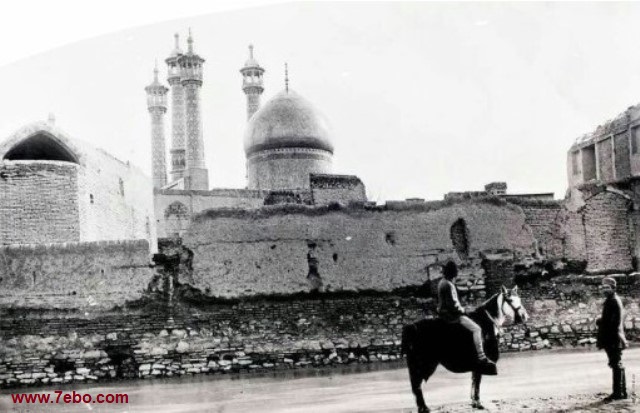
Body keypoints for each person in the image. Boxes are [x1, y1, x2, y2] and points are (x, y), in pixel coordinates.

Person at [437, 260, 497, 375]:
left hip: (443, 313)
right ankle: (481, 356)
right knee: (477, 329)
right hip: (452, 315)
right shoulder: (449, 284)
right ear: (453, 273)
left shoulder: (441, 282)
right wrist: (464, 310)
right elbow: (454, 303)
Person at [596, 277, 628, 401]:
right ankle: (621, 392)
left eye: (607, 287)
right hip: (614, 337)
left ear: (614, 288)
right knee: (617, 364)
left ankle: (618, 393)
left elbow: (613, 323)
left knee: (616, 364)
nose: (604, 289)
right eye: (603, 287)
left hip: (613, 337)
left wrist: (599, 321)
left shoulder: (613, 301)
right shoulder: (613, 299)